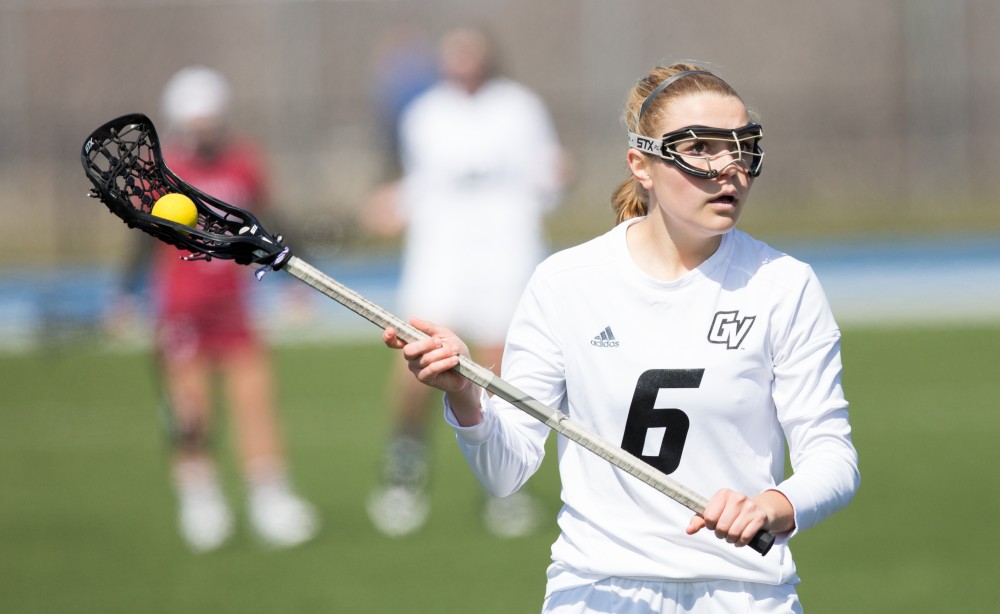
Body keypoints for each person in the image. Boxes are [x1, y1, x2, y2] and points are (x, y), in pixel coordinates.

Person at [381, 62, 860, 612]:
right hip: (595, 589)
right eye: (700, 148)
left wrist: (772, 504)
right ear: (642, 165)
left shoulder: (784, 286)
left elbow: (832, 458)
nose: (729, 168)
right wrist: (465, 395)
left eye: (741, 147)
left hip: (746, 592)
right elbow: (504, 472)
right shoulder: (566, 283)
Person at [362, 26, 569, 538]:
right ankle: (404, 471)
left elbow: (547, 175)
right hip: (442, 255)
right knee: (415, 361)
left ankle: (505, 483)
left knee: (500, 367)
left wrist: (561, 174)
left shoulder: (520, 108)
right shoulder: (425, 114)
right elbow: (422, 183)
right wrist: (393, 203)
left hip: (506, 253)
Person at [115, 66, 319, 552]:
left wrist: (295, 280)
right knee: (191, 412)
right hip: (183, 310)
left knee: (255, 400)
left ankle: (269, 499)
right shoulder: (165, 174)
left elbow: (270, 221)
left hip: (234, 307)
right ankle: (200, 501)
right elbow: (143, 241)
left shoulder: (243, 164)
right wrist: (124, 294)